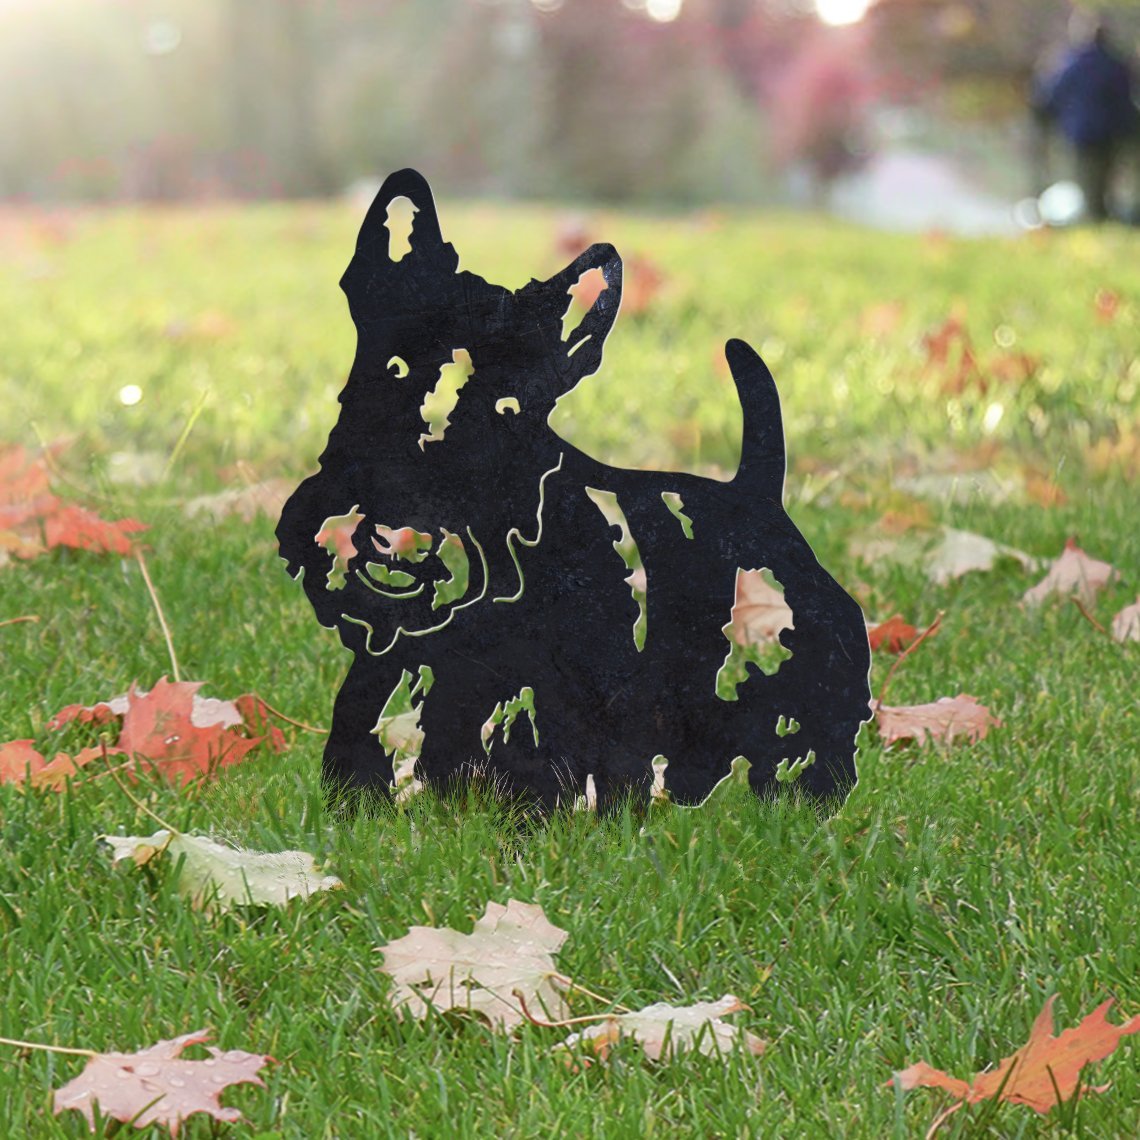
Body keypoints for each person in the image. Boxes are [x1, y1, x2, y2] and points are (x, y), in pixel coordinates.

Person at [1033, 11, 1139, 221]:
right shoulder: (1117, 65)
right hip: (1112, 132)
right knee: (1107, 178)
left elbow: (1051, 96)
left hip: (1082, 133)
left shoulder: (1070, 64)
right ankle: (1105, 217)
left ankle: (1096, 218)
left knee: (1089, 181)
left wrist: (1045, 119)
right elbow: (1127, 100)